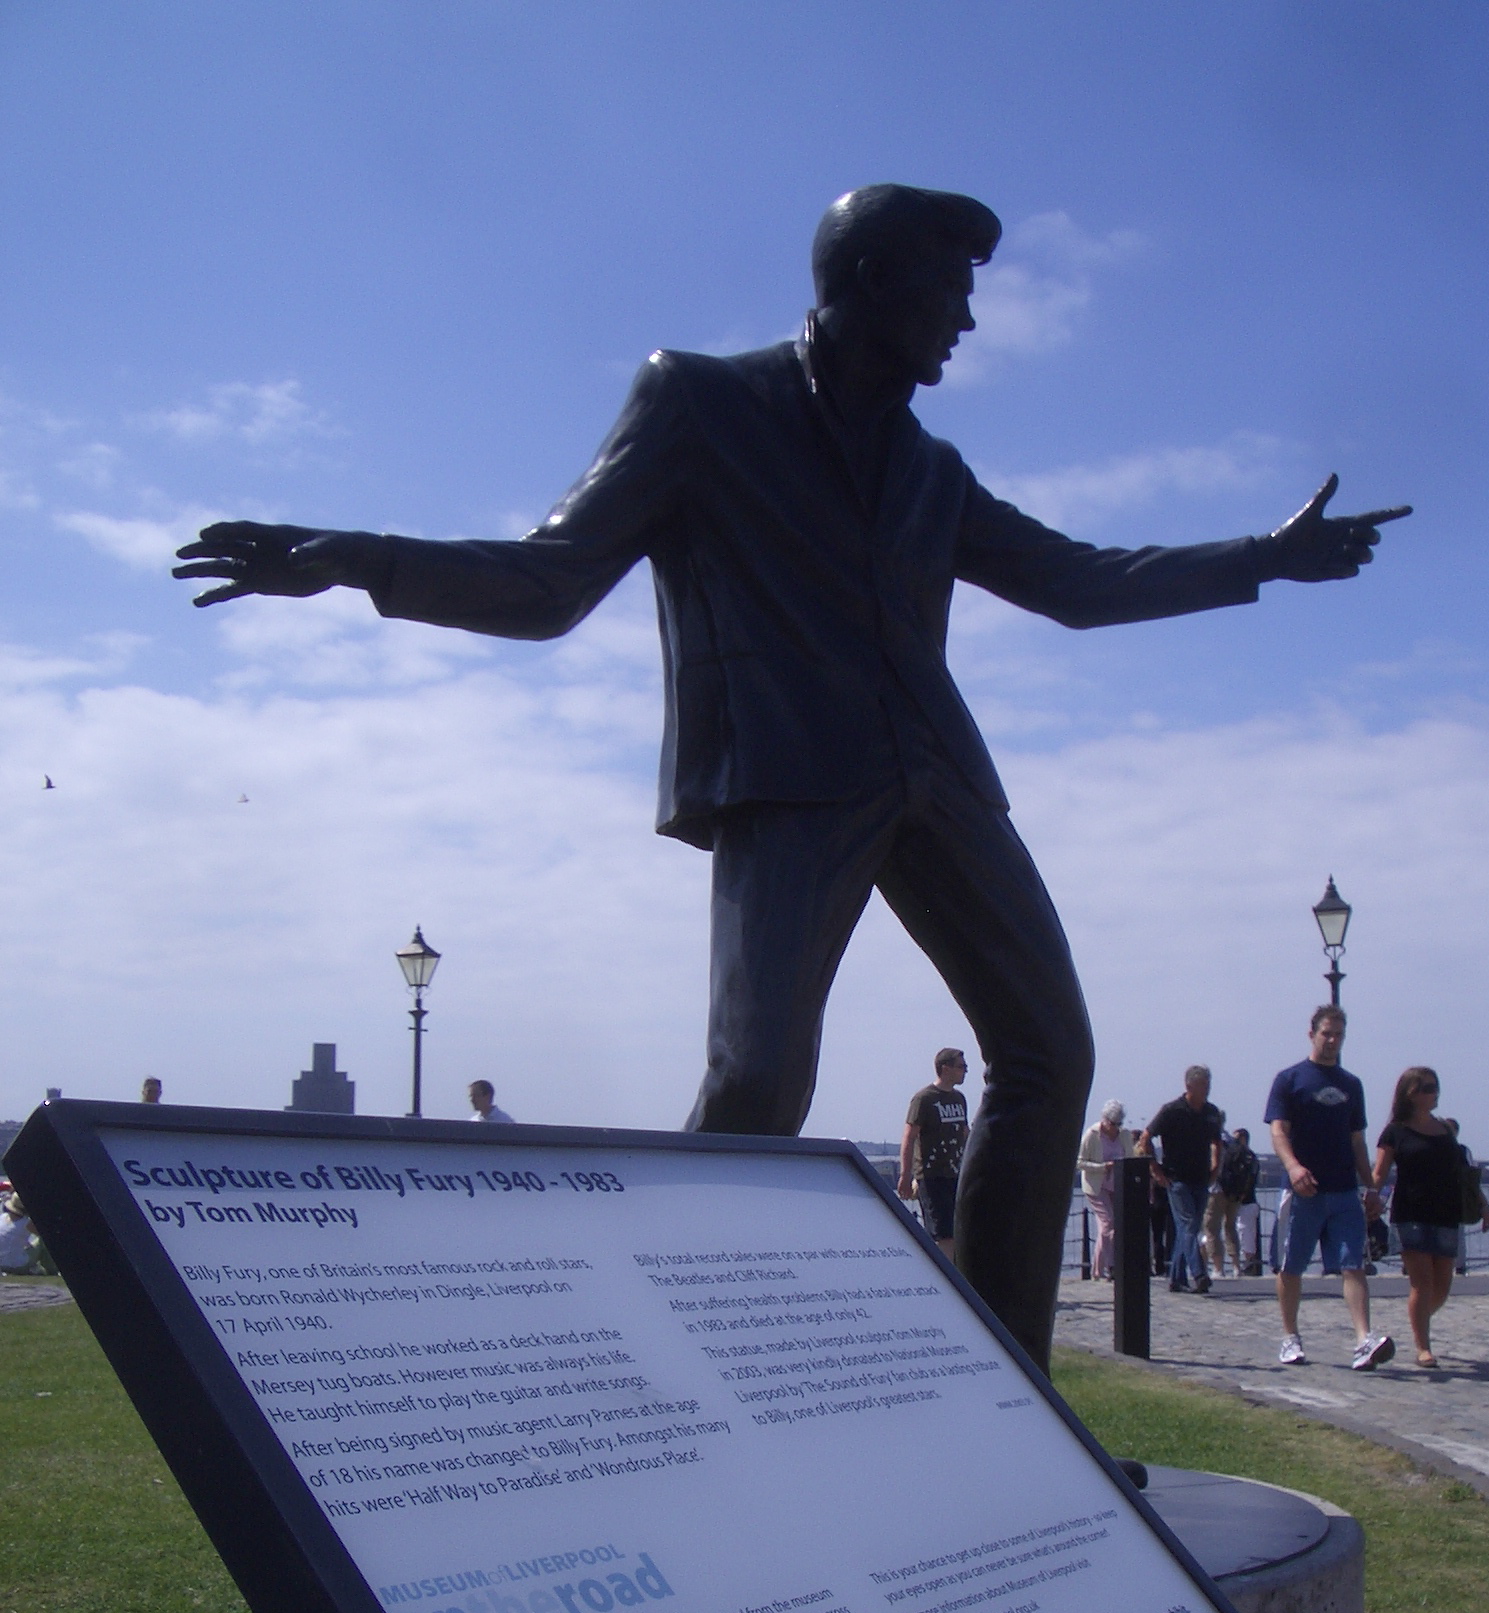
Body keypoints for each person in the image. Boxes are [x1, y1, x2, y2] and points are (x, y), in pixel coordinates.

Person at [172, 185, 1408, 1372]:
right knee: (758, 1078)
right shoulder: (703, 404)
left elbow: (1077, 583)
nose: (968, 322)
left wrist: (1264, 558)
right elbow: (551, 581)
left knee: (1047, 1054)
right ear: (869, 282)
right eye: (948, 292)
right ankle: (654, 1358)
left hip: (939, 776)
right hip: (794, 777)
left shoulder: (933, 470)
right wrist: (355, 559)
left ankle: (1005, 1400)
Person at [1265, 1005, 1392, 1372]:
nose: (1333, 1040)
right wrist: (1293, 1167)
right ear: (1312, 1034)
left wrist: (1371, 1188)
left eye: (1339, 1035)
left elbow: (1358, 1141)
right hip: (1303, 1191)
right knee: (1291, 1267)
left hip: (1343, 1190)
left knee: (1354, 1265)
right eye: (1327, 1033)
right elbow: (1277, 1131)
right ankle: (1290, 1336)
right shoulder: (1290, 1080)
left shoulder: (1352, 1085)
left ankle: (1363, 1340)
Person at [1373, 1071, 1489, 1367]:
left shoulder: (1445, 1131)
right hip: (1411, 1214)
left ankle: (1418, 1317)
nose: (1433, 1094)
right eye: (1426, 1088)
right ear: (1409, 1093)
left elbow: (1462, 1174)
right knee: (1422, 1283)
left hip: (1446, 1215)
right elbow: (1380, 1172)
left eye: (1435, 1088)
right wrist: (1369, 1197)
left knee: (1442, 1286)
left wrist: (1483, 1204)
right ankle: (1423, 1346)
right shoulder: (1395, 1131)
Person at [1138, 1067, 1223, 1293]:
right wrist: (1155, 1168)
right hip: (1177, 1179)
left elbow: (1217, 1141)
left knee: (1190, 1227)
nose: (1207, 1089)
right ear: (1189, 1086)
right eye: (1203, 1085)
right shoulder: (1171, 1111)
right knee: (1187, 1224)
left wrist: (1216, 1165)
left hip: (1201, 1178)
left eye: (1208, 1084)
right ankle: (1199, 1273)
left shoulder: (1211, 1112)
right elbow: (1146, 1137)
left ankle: (1176, 1278)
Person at [899, 1049, 969, 1258]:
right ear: (945, 1068)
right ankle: (946, 1279)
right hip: (932, 1175)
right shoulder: (924, 1099)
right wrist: (906, 1174)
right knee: (944, 1234)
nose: (965, 1072)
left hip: (956, 1174)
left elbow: (964, 1133)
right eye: (961, 1067)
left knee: (959, 1231)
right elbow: (909, 1137)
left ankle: (958, 1277)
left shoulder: (959, 1099)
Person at [1077, 1099, 1130, 1279]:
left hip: (1117, 1186)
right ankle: (1112, 1265)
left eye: (1119, 1124)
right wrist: (1102, 1167)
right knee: (1108, 1223)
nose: (1115, 1128)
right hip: (1096, 1185)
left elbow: (1130, 1159)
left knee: (1107, 1228)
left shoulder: (1125, 1135)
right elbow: (1079, 1162)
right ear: (1104, 1119)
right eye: (1112, 1123)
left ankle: (1097, 1271)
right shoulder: (1092, 1135)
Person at [1204, 1125, 1258, 1278]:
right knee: (1230, 1227)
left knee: (1212, 1228)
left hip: (1216, 1189)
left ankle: (1218, 1268)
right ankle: (1236, 1267)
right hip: (1235, 1192)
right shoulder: (1236, 1145)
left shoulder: (1214, 1140)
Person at [0, 1191, 38, 1274]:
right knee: (42, 1242)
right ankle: (52, 1269)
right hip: (16, 1265)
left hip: (1, 1264)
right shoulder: (27, 1223)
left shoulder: (2, 1217)